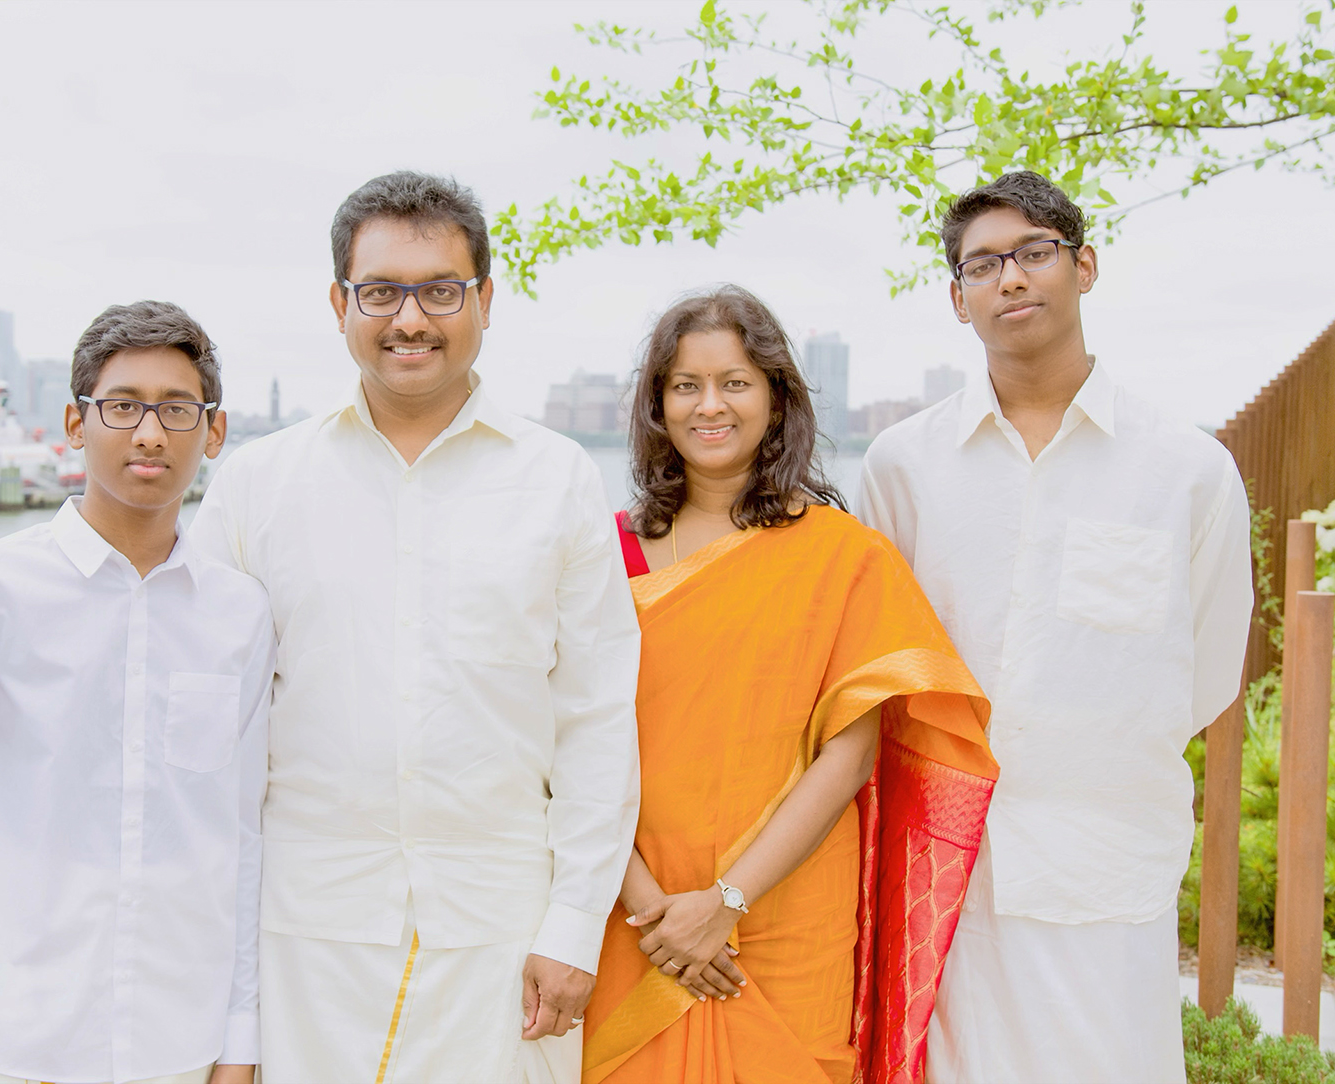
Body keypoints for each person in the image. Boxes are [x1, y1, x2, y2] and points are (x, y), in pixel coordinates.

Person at [189, 171, 641, 1083]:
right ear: (338, 302)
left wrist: (574, 925)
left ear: (484, 299)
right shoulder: (258, 484)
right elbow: (196, 712)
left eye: (440, 290)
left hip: (506, 930)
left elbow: (595, 718)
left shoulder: (555, 479)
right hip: (305, 926)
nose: (411, 319)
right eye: (381, 291)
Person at [858, 171, 1254, 1082]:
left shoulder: (1187, 470)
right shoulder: (903, 465)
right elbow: (881, 657)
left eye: (1034, 253)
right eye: (983, 265)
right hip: (945, 864)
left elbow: (1204, 669)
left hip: (1104, 856)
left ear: (1085, 267)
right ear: (957, 300)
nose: (1011, 279)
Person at [584, 285, 997, 1084]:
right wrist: (654, 912)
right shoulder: (604, 557)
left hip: (787, 910)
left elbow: (849, 757)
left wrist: (727, 902)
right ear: (657, 405)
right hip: (634, 907)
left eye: (736, 382)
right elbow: (572, 744)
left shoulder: (845, 556)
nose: (711, 405)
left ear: (777, 399)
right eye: (686, 385)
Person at [0, 301, 272, 1084]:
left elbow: (239, 841)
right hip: (7, 1046)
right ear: (76, 424)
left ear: (212, 434)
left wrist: (237, 1041)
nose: (150, 432)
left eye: (177, 409)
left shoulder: (239, 615)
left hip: (179, 1048)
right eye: (122, 406)